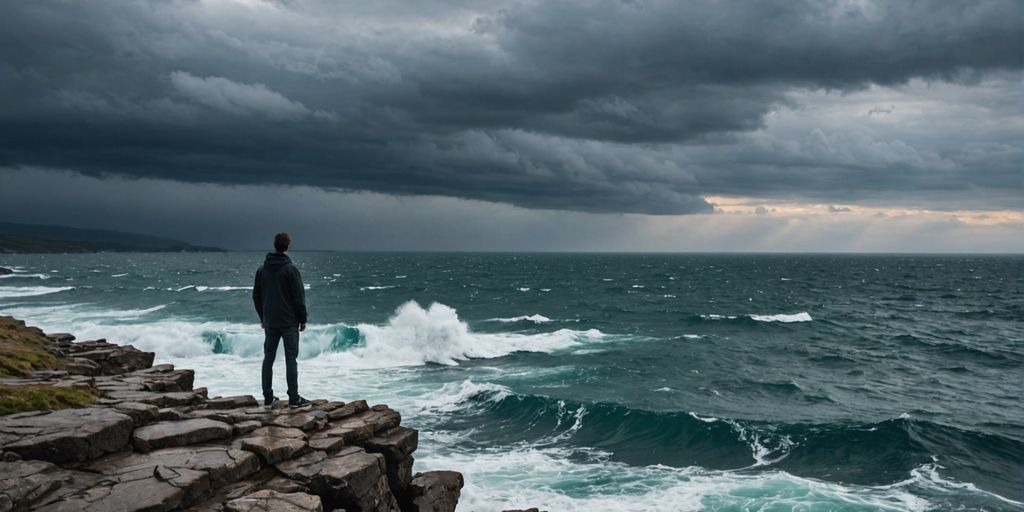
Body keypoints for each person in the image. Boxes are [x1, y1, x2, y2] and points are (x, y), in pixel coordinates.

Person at [253, 232, 311, 408]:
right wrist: (303, 319)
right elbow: (299, 297)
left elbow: (256, 296)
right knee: (290, 359)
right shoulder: (291, 269)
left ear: (275, 245)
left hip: (270, 321)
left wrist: (262, 316)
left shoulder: (262, 270)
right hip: (288, 322)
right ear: (287, 246)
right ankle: (294, 398)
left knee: (268, 359)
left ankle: (268, 398)